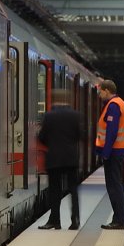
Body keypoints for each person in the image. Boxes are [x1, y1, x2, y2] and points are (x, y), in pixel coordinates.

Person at [36, 89, 83, 230]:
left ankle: (55, 221)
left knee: (55, 191)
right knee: (73, 190)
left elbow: (41, 137)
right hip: (71, 158)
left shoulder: (49, 116)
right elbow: (80, 135)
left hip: (54, 158)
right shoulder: (75, 115)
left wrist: (51, 144)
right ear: (67, 99)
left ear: (54, 99)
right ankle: (75, 220)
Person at [95, 80, 124, 230]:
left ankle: (120, 221)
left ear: (107, 90)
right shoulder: (120, 103)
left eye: (101, 91)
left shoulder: (113, 105)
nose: (99, 94)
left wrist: (106, 152)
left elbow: (111, 131)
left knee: (114, 186)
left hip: (114, 151)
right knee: (117, 185)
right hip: (118, 150)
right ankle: (120, 219)